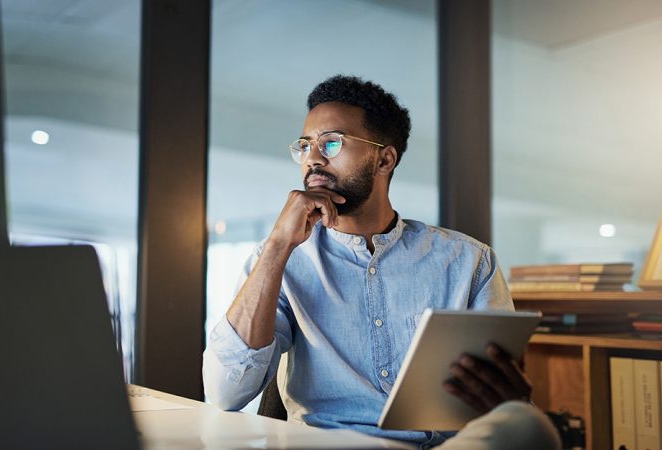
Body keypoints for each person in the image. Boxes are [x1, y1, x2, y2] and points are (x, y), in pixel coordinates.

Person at [203, 75, 559, 449]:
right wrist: (277, 245)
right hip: (328, 446)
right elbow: (225, 392)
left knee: (530, 428)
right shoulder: (281, 257)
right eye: (305, 145)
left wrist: (511, 403)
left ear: (385, 159)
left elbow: (499, 404)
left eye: (332, 142)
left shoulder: (469, 260)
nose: (313, 158)